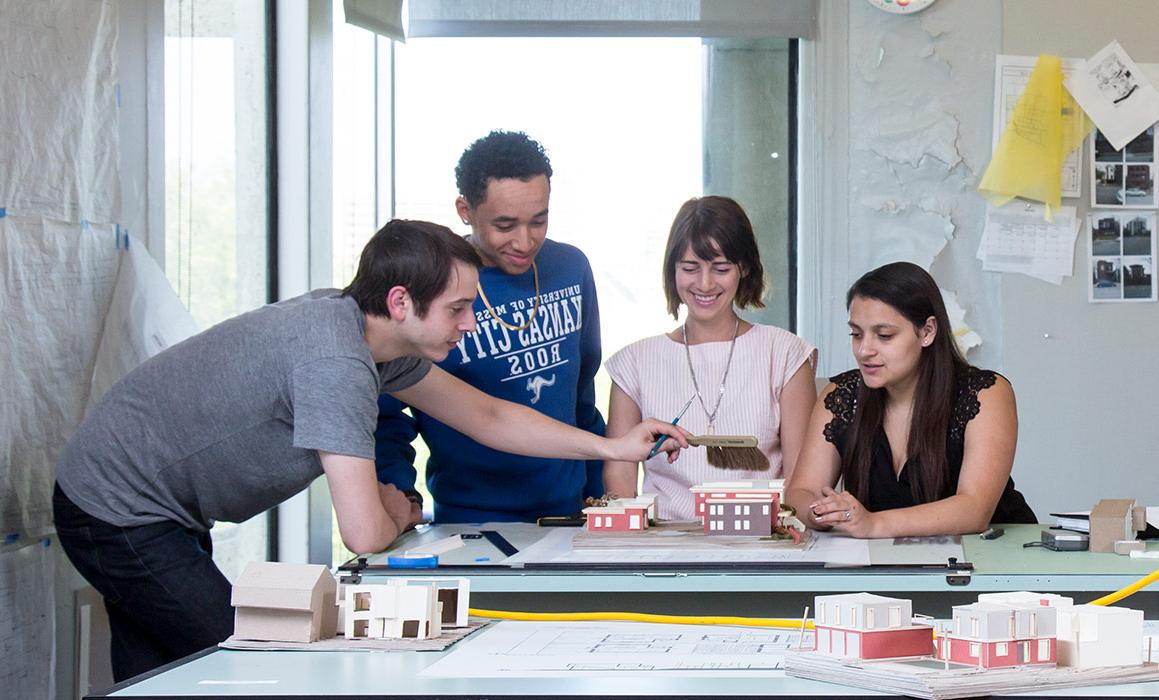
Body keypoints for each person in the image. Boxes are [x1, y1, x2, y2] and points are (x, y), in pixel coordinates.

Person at [53, 219, 689, 681]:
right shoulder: (338, 362)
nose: (470, 325)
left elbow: (490, 416)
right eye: (460, 308)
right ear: (400, 301)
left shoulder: (377, 346)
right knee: (241, 661)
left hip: (150, 503)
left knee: (162, 676)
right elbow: (363, 533)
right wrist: (397, 512)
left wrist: (611, 444)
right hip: (115, 509)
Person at [376, 131, 608, 522]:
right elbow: (386, 416)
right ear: (465, 210)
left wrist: (600, 494)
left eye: (539, 220)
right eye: (505, 225)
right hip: (469, 519)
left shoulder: (572, 268)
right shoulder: (432, 290)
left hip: (571, 513)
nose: (525, 240)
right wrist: (402, 498)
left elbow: (581, 395)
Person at [784, 261, 1036, 538]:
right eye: (856, 334)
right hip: (886, 562)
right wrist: (821, 512)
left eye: (884, 336)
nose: (864, 349)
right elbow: (800, 492)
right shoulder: (841, 395)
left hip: (994, 562)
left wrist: (874, 524)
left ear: (927, 332)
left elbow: (974, 509)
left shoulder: (986, 392)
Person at [603, 196, 817, 520]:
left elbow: (803, 482)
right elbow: (620, 487)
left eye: (721, 269)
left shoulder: (785, 354)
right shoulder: (633, 363)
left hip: (761, 544)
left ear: (743, 268)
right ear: (672, 269)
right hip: (663, 549)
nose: (704, 284)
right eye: (690, 268)